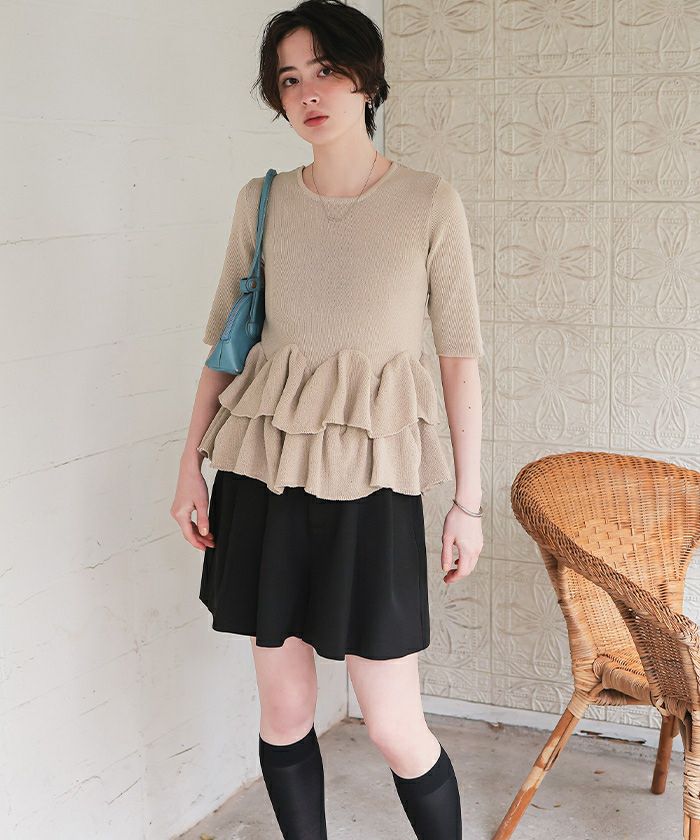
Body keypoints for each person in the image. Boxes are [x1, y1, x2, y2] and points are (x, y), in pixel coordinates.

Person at [170, 1, 485, 837]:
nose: (309, 93)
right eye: (289, 79)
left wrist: (468, 503)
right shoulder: (262, 200)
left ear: (367, 79)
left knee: (393, 723)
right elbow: (226, 346)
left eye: (326, 71)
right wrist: (188, 465)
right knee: (285, 710)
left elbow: (460, 358)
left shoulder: (429, 200)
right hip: (263, 477)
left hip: (374, 485)